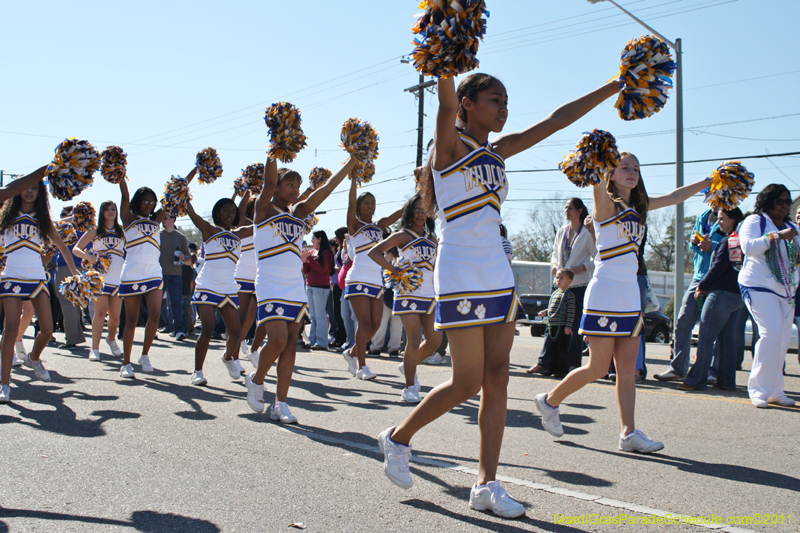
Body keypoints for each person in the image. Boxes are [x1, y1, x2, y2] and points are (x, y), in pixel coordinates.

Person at [378, 72, 623, 518]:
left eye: (507, 101)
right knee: (467, 380)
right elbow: (445, 106)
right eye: (495, 100)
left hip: (497, 272)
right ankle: (397, 438)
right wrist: (446, 65)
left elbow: (556, 120)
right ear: (468, 104)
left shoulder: (499, 151)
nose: (504, 108)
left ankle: (486, 485)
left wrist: (613, 86)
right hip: (460, 271)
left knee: (498, 379)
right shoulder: (449, 148)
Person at [534, 152, 714, 454]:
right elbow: (595, 181)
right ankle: (549, 401)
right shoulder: (605, 204)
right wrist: (596, 159)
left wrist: (710, 180)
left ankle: (628, 433)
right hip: (604, 292)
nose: (631, 172)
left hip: (630, 295)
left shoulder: (640, 207)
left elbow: (675, 196)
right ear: (611, 174)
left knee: (627, 370)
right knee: (597, 367)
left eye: (636, 168)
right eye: (624, 168)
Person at [245, 155, 357, 423]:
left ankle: (280, 403)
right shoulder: (263, 210)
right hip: (270, 282)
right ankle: (256, 379)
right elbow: (269, 179)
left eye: (298, 185)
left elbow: (326, 189)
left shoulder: (298, 213)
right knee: (278, 339)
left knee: (291, 345)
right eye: (290, 184)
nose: (295, 189)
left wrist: (351, 163)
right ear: (277, 187)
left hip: (295, 284)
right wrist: (276, 149)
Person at [0, 177, 79, 402]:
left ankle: (33, 358)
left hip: (36, 278)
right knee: (11, 328)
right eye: (25, 188)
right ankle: (4, 384)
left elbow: (63, 247)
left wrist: (75, 273)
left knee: (47, 329)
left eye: (34, 188)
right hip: (11, 276)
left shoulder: (43, 221)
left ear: (40, 193)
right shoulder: (5, 216)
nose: (29, 192)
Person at [369, 194, 441, 403]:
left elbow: (435, 267)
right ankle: (409, 387)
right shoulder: (402, 235)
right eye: (417, 209)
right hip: (408, 292)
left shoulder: (432, 239)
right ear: (410, 211)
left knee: (435, 340)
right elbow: (375, 252)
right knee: (413, 338)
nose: (421, 214)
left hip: (429, 294)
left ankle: (407, 365)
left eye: (424, 210)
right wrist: (394, 271)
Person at [185, 181, 252, 386]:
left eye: (233, 211)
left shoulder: (238, 233)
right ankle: (197, 371)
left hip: (228, 286)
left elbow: (262, 225)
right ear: (217, 213)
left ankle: (228, 357)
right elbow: (192, 213)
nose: (230, 214)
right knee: (207, 329)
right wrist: (183, 189)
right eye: (225, 210)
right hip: (208, 284)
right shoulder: (209, 230)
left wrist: (250, 191)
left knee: (236, 332)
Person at [738, 184, 798, 408]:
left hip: (786, 290)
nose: (784, 206)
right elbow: (748, 247)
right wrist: (777, 236)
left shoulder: (792, 227)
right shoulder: (756, 221)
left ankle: (775, 390)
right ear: (768, 201)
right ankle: (758, 390)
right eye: (780, 201)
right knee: (771, 333)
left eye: (787, 202)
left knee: (782, 340)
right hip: (758, 285)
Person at [342, 179, 403, 380]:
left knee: (376, 324)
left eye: (373, 202)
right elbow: (350, 204)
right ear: (359, 206)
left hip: (376, 279)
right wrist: (352, 181)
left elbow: (399, 213)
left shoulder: (379, 226)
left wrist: (420, 191)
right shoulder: (354, 224)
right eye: (367, 202)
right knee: (364, 322)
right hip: (358, 276)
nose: (371, 206)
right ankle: (362, 366)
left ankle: (351, 352)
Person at [679, 208, 745, 391]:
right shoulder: (740, 242)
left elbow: (717, 268)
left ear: (733, 220)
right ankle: (726, 381)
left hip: (720, 295)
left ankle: (696, 380)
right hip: (737, 296)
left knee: (706, 339)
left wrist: (702, 285)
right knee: (727, 341)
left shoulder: (727, 241)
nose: (719, 222)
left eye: (723, 218)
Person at [654, 206, 723, 381]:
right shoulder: (702, 216)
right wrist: (694, 241)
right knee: (682, 322)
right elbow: (694, 249)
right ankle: (678, 369)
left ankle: (713, 372)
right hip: (698, 276)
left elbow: (737, 243)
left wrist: (713, 246)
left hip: (718, 278)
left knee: (713, 329)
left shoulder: (731, 215)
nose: (713, 196)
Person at [528, 198, 594, 374]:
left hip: (578, 286)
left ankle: (572, 365)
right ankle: (545, 363)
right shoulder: (562, 232)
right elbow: (555, 254)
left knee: (572, 328)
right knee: (553, 324)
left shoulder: (587, 233)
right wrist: (555, 267)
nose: (566, 211)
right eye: (565, 208)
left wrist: (581, 268)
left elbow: (598, 259)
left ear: (580, 211)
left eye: (570, 208)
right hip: (559, 285)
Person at [118, 181, 166, 379]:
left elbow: (174, 196)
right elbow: (125, 196)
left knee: (155, 315)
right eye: (145, 201)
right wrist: (121, 175)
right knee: (131, 320)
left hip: (154, 271)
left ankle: (144, 355)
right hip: (132, 272)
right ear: (138, 202)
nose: (149, 204)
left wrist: (194, 171)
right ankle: (126, 363)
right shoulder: (128, 218)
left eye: (152, 201)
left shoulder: (157, 220)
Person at [73, 201, 125, 361]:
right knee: (100, 313)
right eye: (107, 209)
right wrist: (89, 256)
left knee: (115, 317)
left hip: (118, 278)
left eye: (113, 209)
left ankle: (110, 339)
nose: (110, 212)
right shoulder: (94, 231)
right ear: (102, 212)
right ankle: (94, 348)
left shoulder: (122, 231)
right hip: (100, 279)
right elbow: (76, 249)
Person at [53, 206, 86, 350]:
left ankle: (72, 339)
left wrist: (71, 217)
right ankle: (76, 336)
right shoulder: (87, 227)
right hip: (81, 267)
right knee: (75, 303)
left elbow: (53, 224)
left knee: (67, 303)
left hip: (66, 266)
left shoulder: (68, 225)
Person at [535, 269, 576, 379]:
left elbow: (571, 312)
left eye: (561, 278)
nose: (558, 280)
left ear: (569, 281)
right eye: (557, 278)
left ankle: (562, 370)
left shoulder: (569, 295)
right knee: (550, 348)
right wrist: (545, 312)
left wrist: (568, 326)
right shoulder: (555, 293)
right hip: (551, 326)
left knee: (561, 350)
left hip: (562, 327)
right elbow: (552, 309)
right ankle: (551, 368)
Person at [159, 213, 190, 341]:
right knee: (156, 303)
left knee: (176, 303)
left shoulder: (181, 237)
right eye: (163, 218)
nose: (165, 220)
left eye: (167, 217)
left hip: (176, 273)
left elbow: (188, 256)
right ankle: (154, 328)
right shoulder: (158, 236)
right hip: (160, 274)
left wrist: (184, 257)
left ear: (173, 219)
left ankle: (178, 330)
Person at [302, 230, 334, 350]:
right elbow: (306, 271)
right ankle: (312, 341)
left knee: (320, 315)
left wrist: (309, 258)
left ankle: (322, 342)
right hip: (310, 286)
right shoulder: (313, 252)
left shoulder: (326, 252)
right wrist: (305, 261)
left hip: (321, 287)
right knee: (314, 315)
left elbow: (322, 269)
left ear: (319, 239)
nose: (312, 241)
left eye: (313, 239)